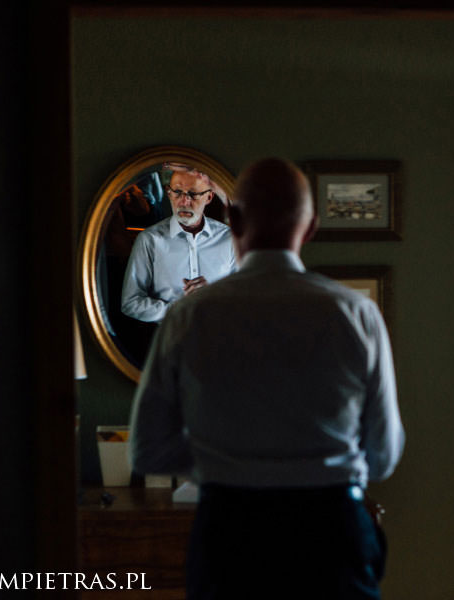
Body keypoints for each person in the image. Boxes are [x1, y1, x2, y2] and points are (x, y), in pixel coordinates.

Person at [128, 157, 405, 599]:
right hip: (332, 533)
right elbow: (384, 455)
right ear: (310, 228)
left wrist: (223, 462)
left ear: (233, 220)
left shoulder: (189, 316)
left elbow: (148, 450)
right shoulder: (355, 314)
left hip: (230, 531)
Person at [120, 166, 235, 323]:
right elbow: (131, 303)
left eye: (193, 194)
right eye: (178, 192)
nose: (184, 202)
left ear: (209, 197)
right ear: (169, 193)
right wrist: (179, 310)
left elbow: (245, 299)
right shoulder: (149, 239)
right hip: (169, 335)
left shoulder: (229, 239)